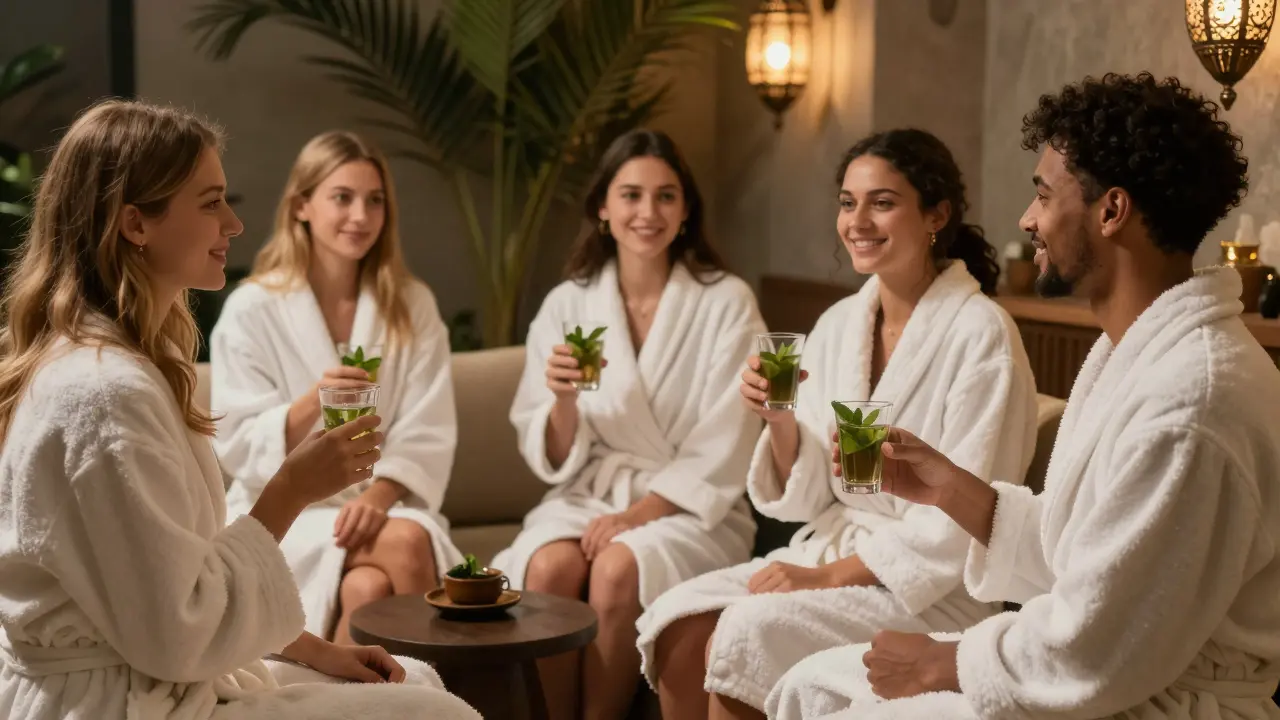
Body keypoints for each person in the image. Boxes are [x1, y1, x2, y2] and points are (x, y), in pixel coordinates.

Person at [767, 72, 1280, 720]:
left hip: (1150, 701)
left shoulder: (1192, 404)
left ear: (1111, 210)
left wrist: (943, 661)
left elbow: (1097, 644)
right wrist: (947, 487)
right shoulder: (1135, 355)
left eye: (1042, 194)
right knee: (810, 684)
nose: (1026, 219)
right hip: (1109, 673)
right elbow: (1087, 554)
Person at [0, 100, 480, 719]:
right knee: (442, 713)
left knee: (409, 676)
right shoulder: (103, 397)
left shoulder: (124, 365)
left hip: (155, 669)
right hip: (115, 702)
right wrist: (290, 489)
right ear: (135, 224)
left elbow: (163, 583)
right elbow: (175, 630)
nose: (233, 224)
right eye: (209, 203)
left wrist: (313, 649)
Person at [635, 128, 1040, 720]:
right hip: (835, 551)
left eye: (883, 202)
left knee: (748, 628)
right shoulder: (839, 325)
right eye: (848, 203)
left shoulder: (982, 337)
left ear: (937, 214)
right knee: (678, 620)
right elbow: (804, 495)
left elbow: (961, 519)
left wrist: (824, 577)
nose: (857, 220)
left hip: (933, 592)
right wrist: (778, 420)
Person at [490, 128, 766, 719]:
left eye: (666, 196)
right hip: (589, 494)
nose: (648, 212)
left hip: (692, 507)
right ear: (602, 209)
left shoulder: (726, 302)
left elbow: (730, 436)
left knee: (618, 569)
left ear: (687, 210)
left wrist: (636, 517)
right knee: (548, 565)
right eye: (631, 195)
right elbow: (551, 450)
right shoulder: (569, 303)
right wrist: (561, 398)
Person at [211, 130, 462, 644]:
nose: (361, 216)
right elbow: (235, 440)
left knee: (367, 589)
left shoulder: (411, 306)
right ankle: (446, 701)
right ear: (302, 205)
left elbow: (427, 428)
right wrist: (311, 405)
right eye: (342, 198)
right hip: (283, 512)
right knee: (410, 545)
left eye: (375, 201)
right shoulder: (251, 309)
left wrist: (382, 496)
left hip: (381, 505)